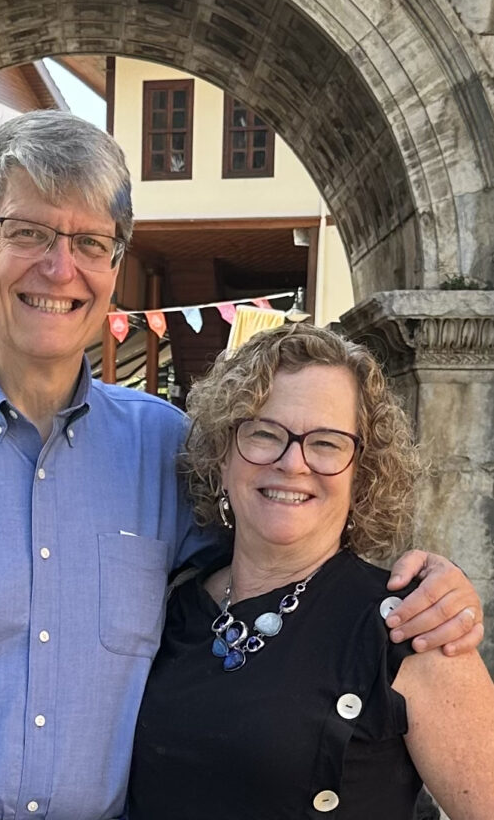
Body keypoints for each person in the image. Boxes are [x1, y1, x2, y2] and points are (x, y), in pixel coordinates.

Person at [0, 113, 483, 820]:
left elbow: (280, 546)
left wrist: (429, 589)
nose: (60, 268)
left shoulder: (165, 450)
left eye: (89, 244)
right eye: (29, 233)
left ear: (115, 265)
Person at [128, 324, 494, 819]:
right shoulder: (171, 602)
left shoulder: (411, 627)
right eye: (264, 433)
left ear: (363, 470)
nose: (292, 463)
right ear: (222, 453)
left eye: (326, 443)